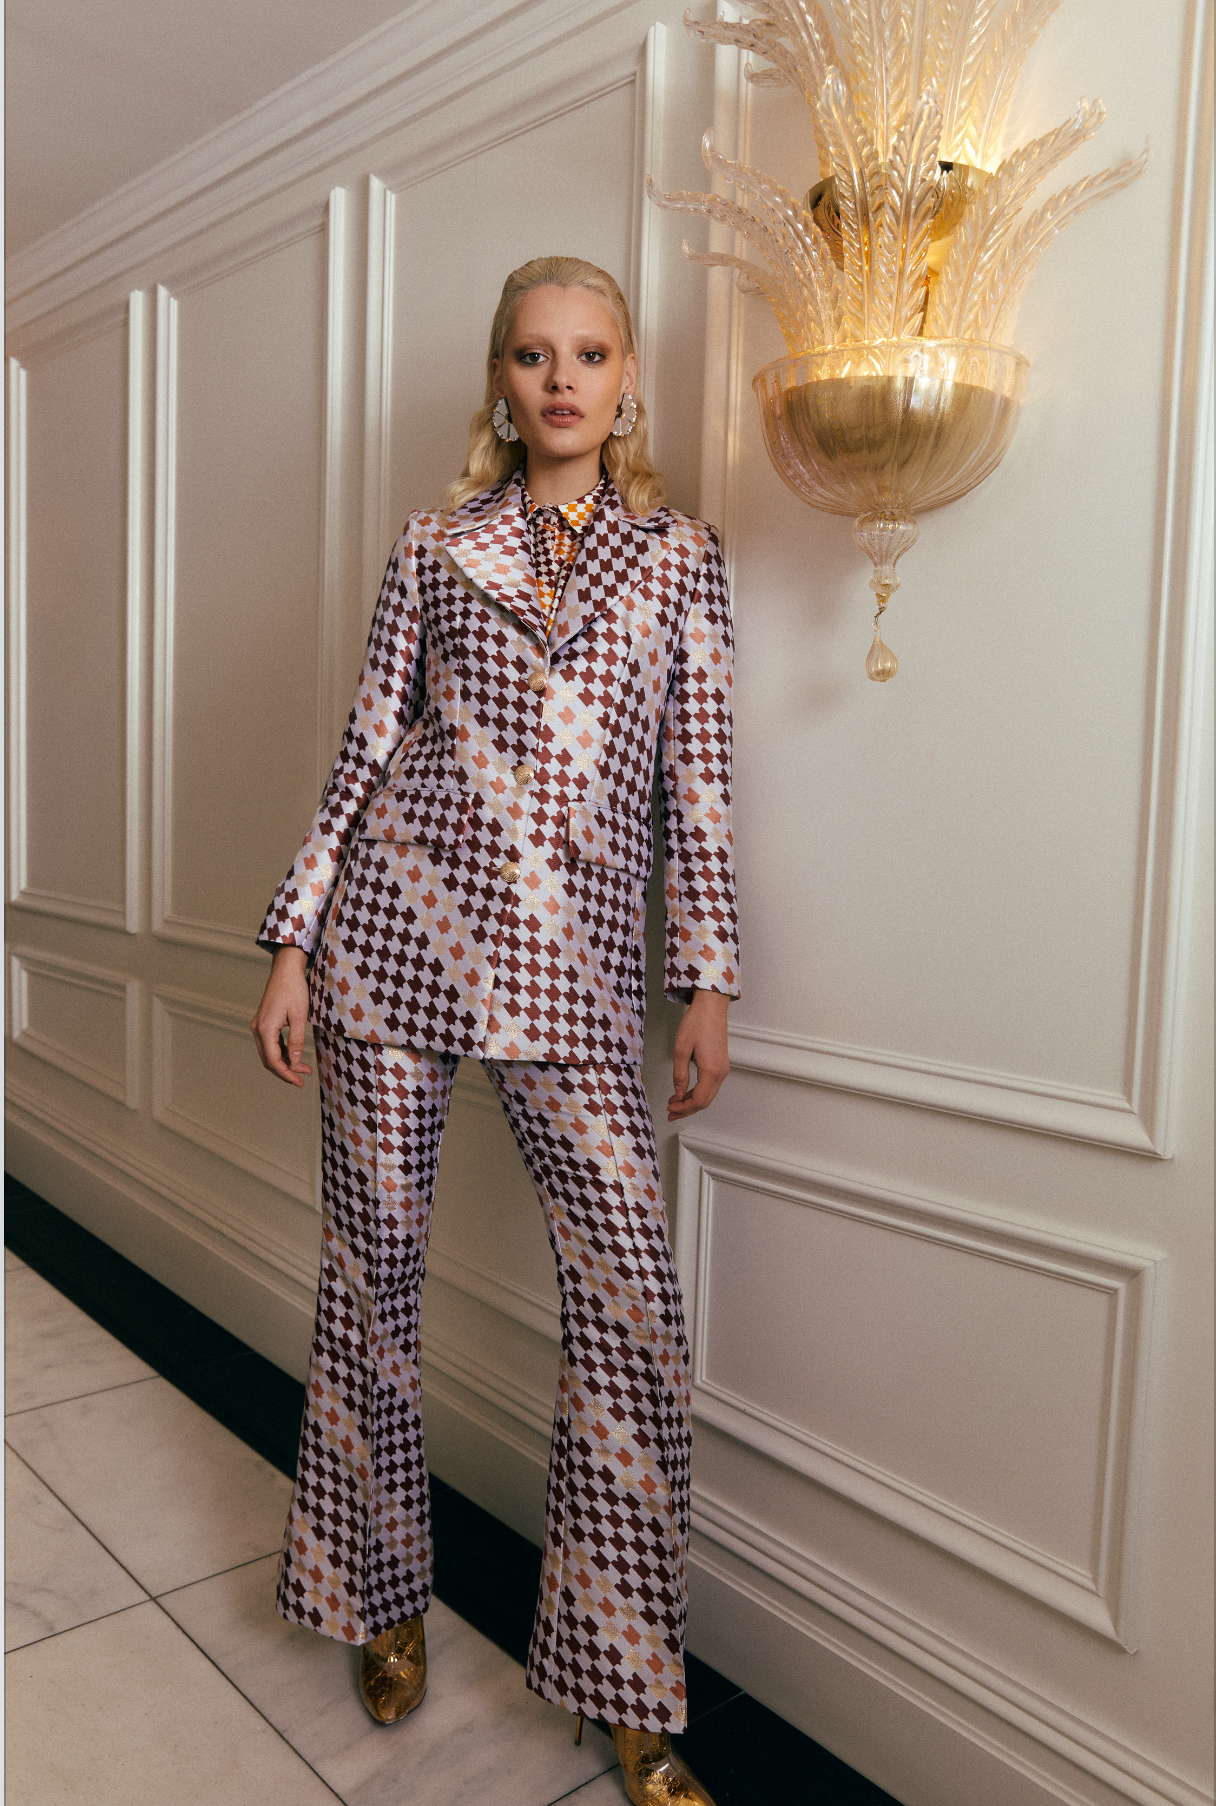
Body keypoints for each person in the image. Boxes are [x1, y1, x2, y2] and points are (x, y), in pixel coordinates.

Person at [251, 254, 739, 1806]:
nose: (562, 380)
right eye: (534, 355)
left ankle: (624, 1684)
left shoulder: (681, 558)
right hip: (394, 935)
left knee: (631, 1310)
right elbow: (367, 739)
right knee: (370, 1279)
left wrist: (708, 973)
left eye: (590, 353)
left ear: (628, 377)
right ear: (502, 380)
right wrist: (294, 936)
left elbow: (699, 779)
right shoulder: (434, 542)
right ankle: (375, 1594)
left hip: (575, 973)